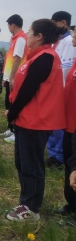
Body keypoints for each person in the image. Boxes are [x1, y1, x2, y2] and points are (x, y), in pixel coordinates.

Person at [5, 19, 66, 221]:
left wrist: (12, 112)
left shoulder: (45, 57)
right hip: (26, 119)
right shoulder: (37, 56)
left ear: (39, 36)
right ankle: (26, 200)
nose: (27, 35)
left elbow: (28, 90)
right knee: (23, 162)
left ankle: (31, 208)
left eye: (30, 32)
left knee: (31, 164)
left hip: (36, 120)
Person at [48, 11, 74, 169]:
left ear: (63, 22)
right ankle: (53, 154)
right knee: (53, 124)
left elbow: (66, 69)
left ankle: (58, 157)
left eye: (55, 23)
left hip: (62, 91)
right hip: (54, 90)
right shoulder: (57, 41)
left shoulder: (70, 42)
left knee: (59, 126)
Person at [1, 15, 30, 143]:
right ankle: (10, 127)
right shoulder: (14, 39)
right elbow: (10, 59)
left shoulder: (21, 39)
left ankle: (15, 131)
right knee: (8, 102)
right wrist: (6, 77)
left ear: (13, 25)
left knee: (13, 103)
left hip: (16, 77)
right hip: (10, 76)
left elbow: (17, 58)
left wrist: (12, 77)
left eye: (8, 25)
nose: (8, 28)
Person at [59, 29, 76, 218]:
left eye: (75, 33)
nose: (73, 36)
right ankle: (71, 204)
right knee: (70, 163)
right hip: (69, 125)